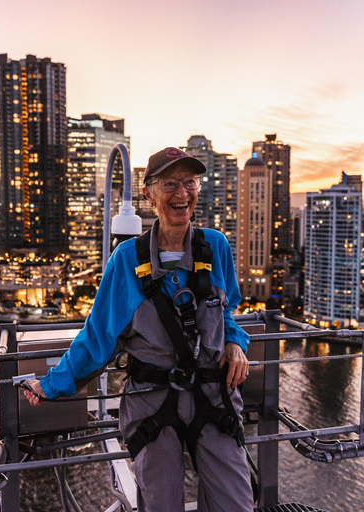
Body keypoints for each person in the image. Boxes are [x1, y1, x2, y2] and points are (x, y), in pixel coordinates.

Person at [24, 147, 254, 511]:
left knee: (237, 503)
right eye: (170, 184)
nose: (182, 194)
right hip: (153, 400)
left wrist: (234, 341)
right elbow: (99, 337)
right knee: (161, 504)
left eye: (190, 183)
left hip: (214, 396)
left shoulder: (216, 247)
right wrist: (51, 384)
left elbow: (227, 311)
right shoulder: (128, 260)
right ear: (148, 194)